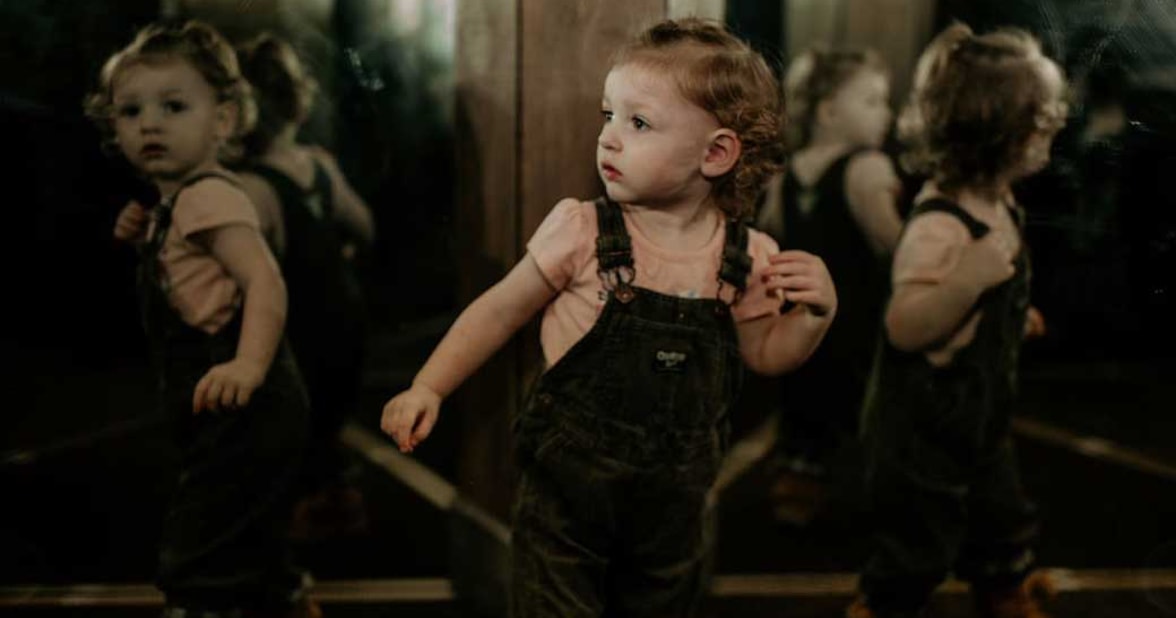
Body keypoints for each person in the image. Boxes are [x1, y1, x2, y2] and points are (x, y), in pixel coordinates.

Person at [380, 18, 836, 617]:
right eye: (608, 116)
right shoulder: (583, 230)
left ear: (717, 153)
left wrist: (815, 315)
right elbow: (497, 311)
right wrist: (428, 386)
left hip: (674, 508)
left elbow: (766, 355)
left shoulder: (749, 257)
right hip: (566, 497)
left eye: (638, 123)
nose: (610, 140)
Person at [92, 21, 318, 618]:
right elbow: (193, 273)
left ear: (221, 121)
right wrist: (144, 234)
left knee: (199, 550)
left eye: (173, 106)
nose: (149, 124)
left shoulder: (207, 197)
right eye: (131, 111)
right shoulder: (177, 202)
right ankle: (285, 600)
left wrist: (247, 363)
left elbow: (263, 279)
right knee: (244, 532)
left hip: (245, 396)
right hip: (228, 404)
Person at [848, 22, 1066, 618]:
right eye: (1040, 119)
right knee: (917, 543)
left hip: (980, 419)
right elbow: (905, 325)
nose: (1053, 127)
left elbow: (989, 299)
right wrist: (969, 280)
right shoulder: (938, 223)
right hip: (925, 430)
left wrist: (1014, 317)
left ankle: (1005, 593)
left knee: (1001, 518)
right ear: (994, 131)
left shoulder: (999, 202)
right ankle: (882, 606)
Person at [235, 33, 375, 541]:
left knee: (287, 424)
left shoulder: (250, 188)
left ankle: (295, 522)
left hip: (295, 327)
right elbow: (364, 227)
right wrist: (339, 249)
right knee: (328, 416)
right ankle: (337, 504)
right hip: (344, 314)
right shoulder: (320, 166)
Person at [755, 48, 903, 525]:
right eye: (873, 100)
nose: (888, 113)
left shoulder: (787, 174)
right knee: (860, 408)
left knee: (805, 405)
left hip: (804, 325)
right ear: (829, 111)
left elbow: (769, 243)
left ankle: (797, 490)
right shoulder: (868, 168)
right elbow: (897, 248)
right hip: (859, 322)